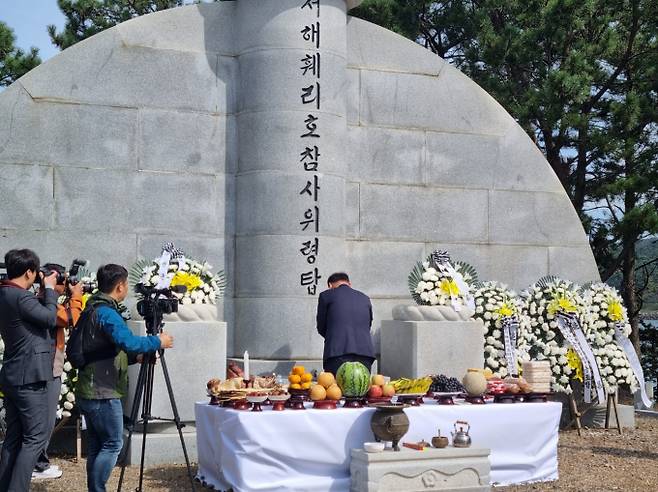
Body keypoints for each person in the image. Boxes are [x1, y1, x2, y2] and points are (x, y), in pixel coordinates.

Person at [75, 264, 173, 492]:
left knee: (98, 445)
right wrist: (158, 341)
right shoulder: (107, 313)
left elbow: (102, 349)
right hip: (102, 392)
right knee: (113, 444)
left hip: (90, 388)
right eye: (126, 284)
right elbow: (127, 342)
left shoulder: (93, 308)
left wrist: (136, 358)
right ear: (120, 286)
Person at [0, 249, 58, 492]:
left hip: (14, 374)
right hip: (29, 376)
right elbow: (50, 319)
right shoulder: (21, 297)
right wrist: (52, 291)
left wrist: (43, 292)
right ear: (29, 272)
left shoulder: (5, 293)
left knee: (13, 438)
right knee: (35, 438)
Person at [32, 264, 84, 481]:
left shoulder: (41, 300)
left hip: (50, 366)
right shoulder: (45, 302)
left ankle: (38, 462)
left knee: (43, 419)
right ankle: (37, 465)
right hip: (47, 368)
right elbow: (71, 319)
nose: (67, 285)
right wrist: (77, 297)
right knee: (43, 420)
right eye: (63, 280)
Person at [316, 272, 375, 375]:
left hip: (337, 353)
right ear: (349, 283)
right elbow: (368, 324)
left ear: (330, 285)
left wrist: (334, 336)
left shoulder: (326, 295)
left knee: (337, 389)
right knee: (360, 389)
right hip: (365, 354)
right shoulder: (365, 298)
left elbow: (321, 326)